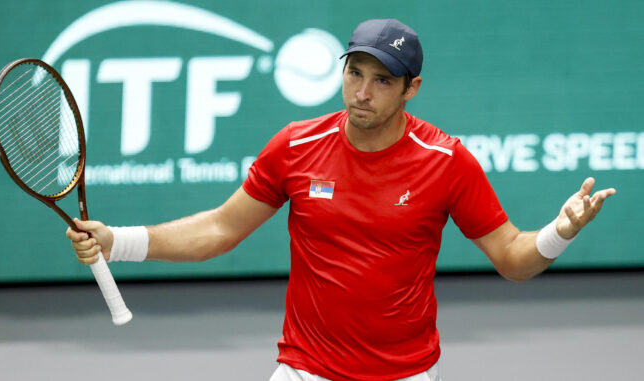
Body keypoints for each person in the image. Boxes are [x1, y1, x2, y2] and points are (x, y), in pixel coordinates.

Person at [66, 19, 616, 381]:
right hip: (305, 369)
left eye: (382, 81)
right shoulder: (296, 145)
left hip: (406, 372)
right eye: (355, 73)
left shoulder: (446, 162)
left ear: (411, 89)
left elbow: (513, 259)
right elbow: (219, 229)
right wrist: (119, 242)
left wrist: (560, 231)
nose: (362, 92)